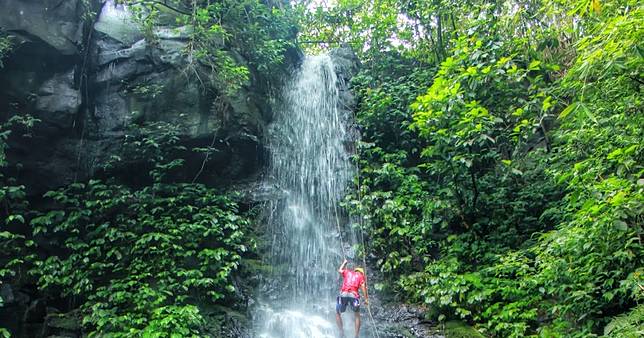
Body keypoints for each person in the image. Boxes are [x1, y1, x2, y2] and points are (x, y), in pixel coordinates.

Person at [335, 258, 369, 338]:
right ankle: (356, 336)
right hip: (354, 295)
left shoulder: (348, 272)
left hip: (343, 294)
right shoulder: (361, 276)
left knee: (338, 313)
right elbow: (363, 287)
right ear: (361, 272)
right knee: (357, 315)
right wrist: (366, 299)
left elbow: (340, 270)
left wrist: (344, 263)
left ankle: (341, 332)